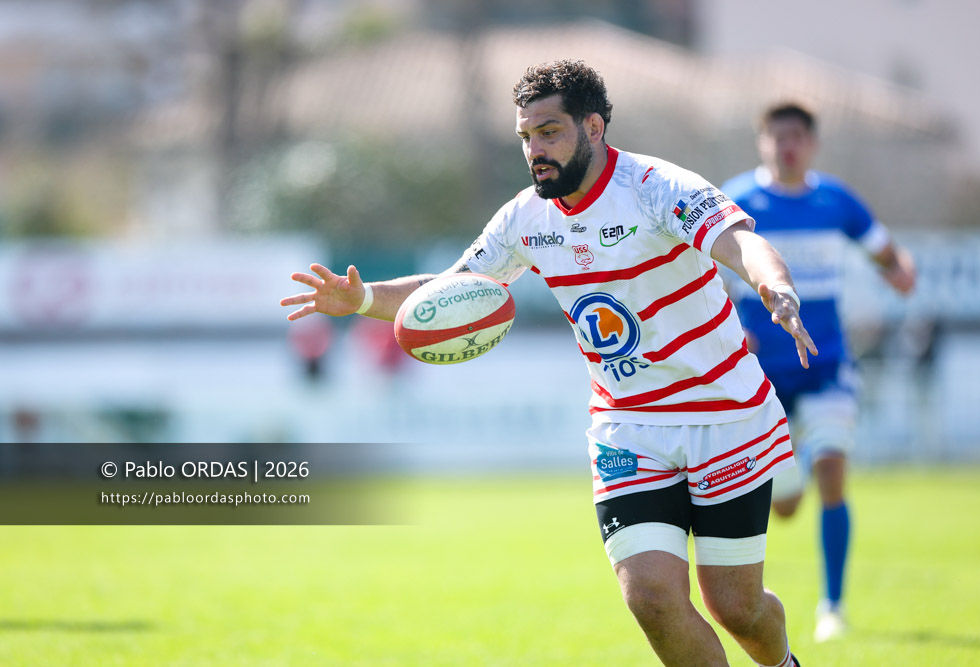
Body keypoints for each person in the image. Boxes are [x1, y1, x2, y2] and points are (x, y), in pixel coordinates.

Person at [282, 61, 812, 667]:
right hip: (627, 425)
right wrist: (364, 299)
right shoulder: (525, 218)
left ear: (593, 127)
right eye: (525, 137)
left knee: (737, 610)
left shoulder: (656, 187)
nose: (535, 150)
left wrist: (776, 288)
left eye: (550, 133)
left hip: (724, 416)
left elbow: (740, 242)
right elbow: (454, 289)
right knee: (651, 598)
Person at [721, 102, 917, 643]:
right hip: (759, 376)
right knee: (783, 506)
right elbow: (699, 269)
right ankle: (791, 464)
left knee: (832, 469)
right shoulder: (734, 201)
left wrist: (900, 270)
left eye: (797, 137)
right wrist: (731, 327)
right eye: (777, 136)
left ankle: (832, 606)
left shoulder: (836, 200)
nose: (787, 145)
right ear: (763, 142)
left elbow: (884, 251)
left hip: (827, 364)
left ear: (811, 144)